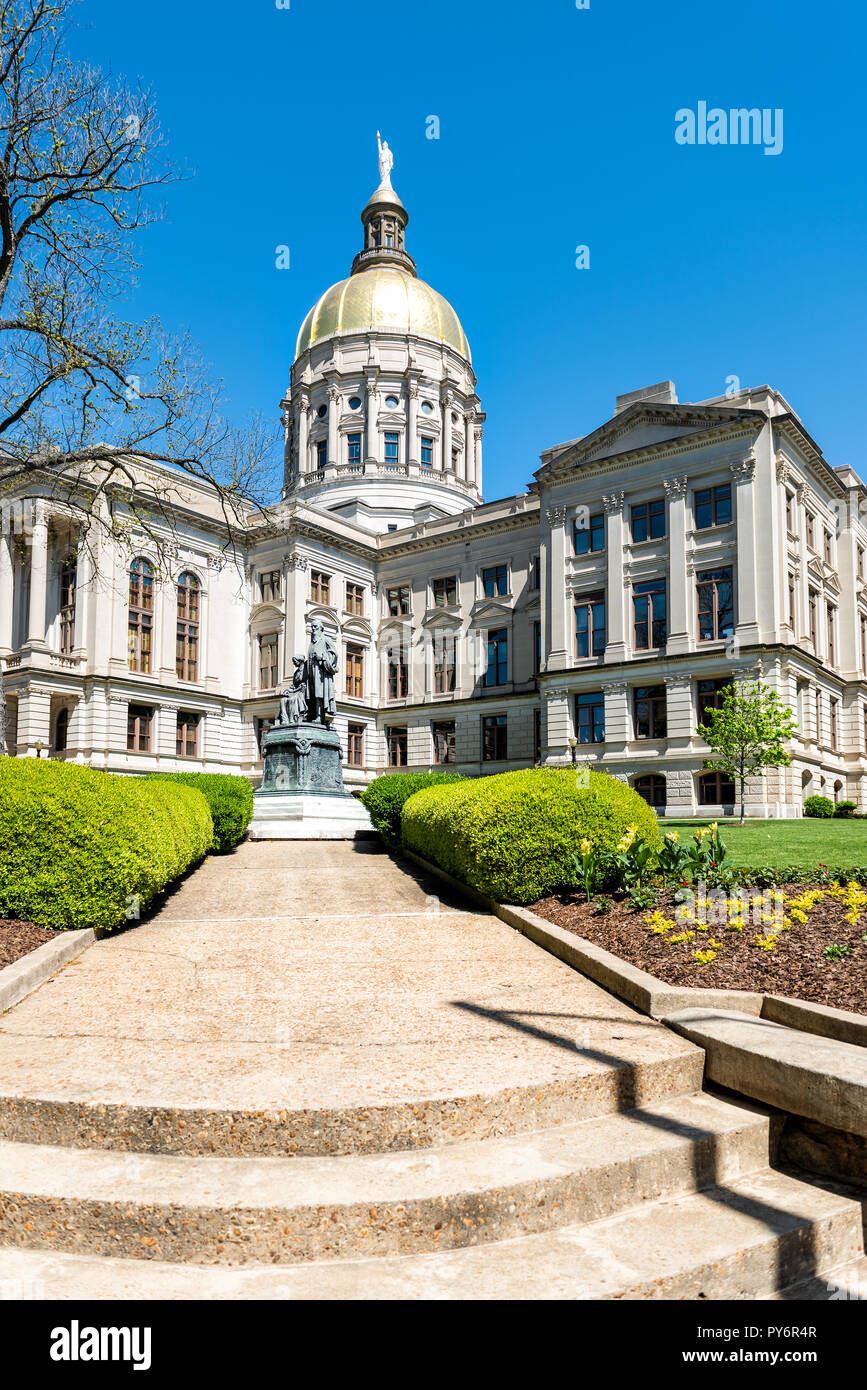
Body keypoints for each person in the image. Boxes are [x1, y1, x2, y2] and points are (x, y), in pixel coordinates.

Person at [305, 620, 338, 724]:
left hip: (321, 673)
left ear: (321, 628)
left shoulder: (326, 640)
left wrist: (322, 658)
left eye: (315, 627)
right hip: (311, 672)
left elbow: (334, 654)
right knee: (312, 694)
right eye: (312, 627)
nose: (313, 629)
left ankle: (320, 716)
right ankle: (312, 714)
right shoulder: (311, 643)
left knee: (320, 694)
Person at [278, 656, 308, 725]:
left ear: (300, 661)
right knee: (283, 700)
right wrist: (288, 690)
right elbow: (294, 685)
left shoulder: (306, 671)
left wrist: (294, 690)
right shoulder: (296, 673)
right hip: (295, 690)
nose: (294, 664)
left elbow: (305, 684)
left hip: (303, 691)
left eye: (295, 662)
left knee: (293, 699)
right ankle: (284, 720)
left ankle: (293, 719)